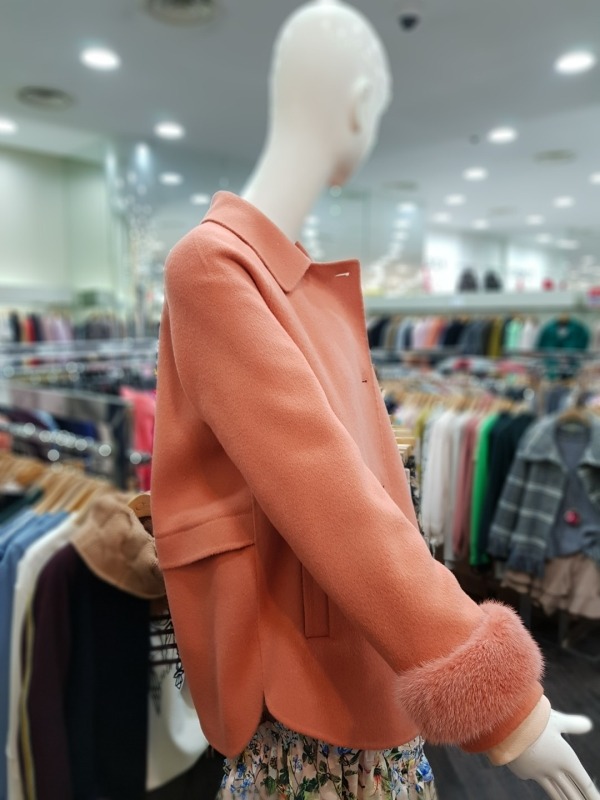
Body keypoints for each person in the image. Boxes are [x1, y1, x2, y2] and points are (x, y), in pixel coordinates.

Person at [151, 2, 600, 798]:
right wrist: (502, 702)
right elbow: (330, 496)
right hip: (298, 684)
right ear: (358, 102)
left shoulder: (295, 282)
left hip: (370, 651)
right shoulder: (215, 268)